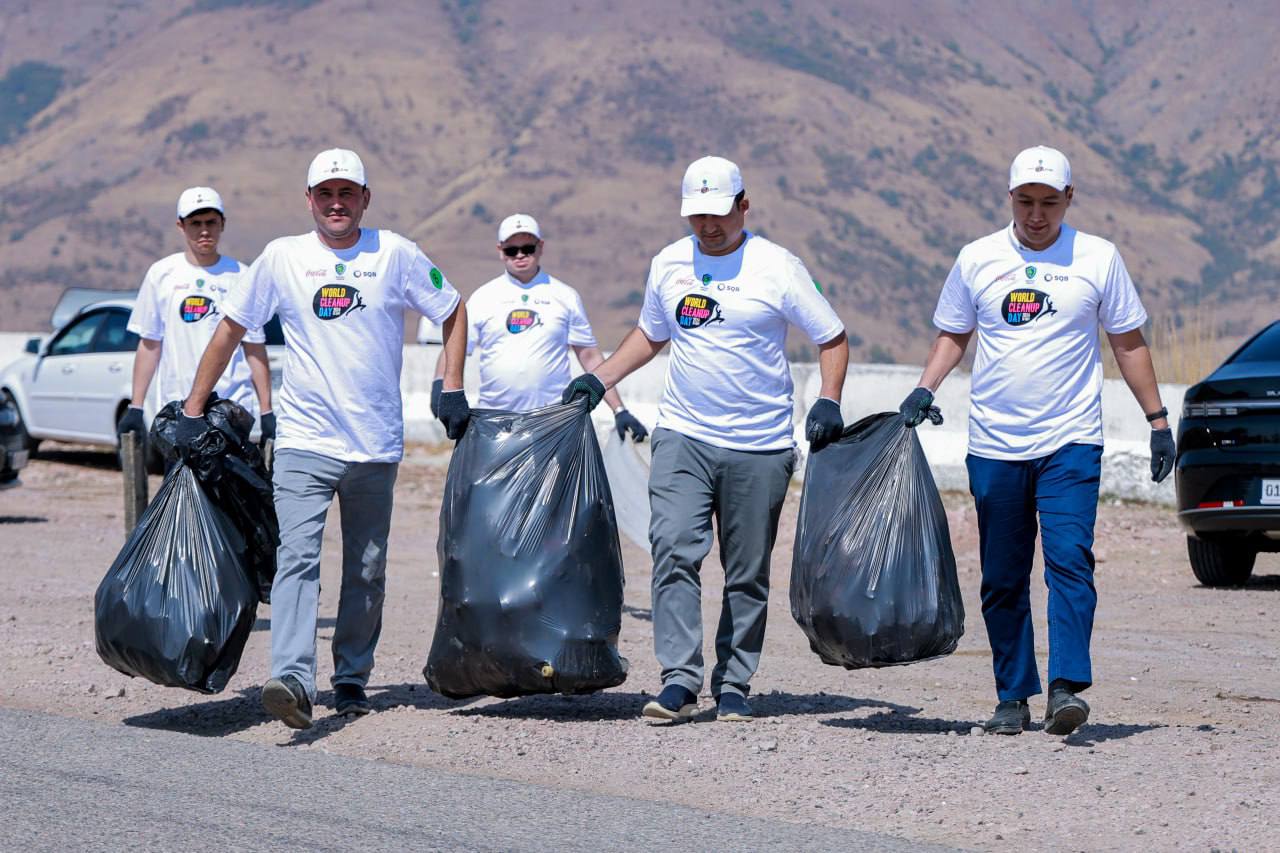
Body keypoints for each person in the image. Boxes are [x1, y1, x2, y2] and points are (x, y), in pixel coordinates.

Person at [176, 149, 470, 729]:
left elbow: (454, 309)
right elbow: (231, 327)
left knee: (367, 568)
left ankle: (352, 675)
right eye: (326, 194)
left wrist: (452, 383)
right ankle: (291, 678)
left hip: (373, 445)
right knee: (296, 559)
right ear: (309, 200)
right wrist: (192, 408)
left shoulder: (395, 253)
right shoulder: (282, 258)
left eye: (347, 193)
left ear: (365, 199)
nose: (337, 204)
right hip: (305, 441)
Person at [899, 145, 1175, 736]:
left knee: (1070, 560)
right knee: (1002, 576)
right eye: (1025, 201)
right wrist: (924, 388)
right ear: (1009, 197)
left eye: (1049, 202)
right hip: (995, 445)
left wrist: (1157, 421)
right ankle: (1013, 695)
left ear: (1069, 198)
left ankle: (1067, 687)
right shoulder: (977, 258)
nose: (1036, 214)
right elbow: (954, 334)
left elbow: (1128, 342)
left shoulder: (1098, 257)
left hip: (1070, 441)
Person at [563, 155, 849, 723]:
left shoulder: (778, 266)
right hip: (684, 435)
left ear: (744, 205)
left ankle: (735, 681)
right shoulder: (669, 263)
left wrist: (829, 399)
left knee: (746, 571)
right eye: (697, 215)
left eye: (718, 213)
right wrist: (600, 378)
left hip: (760, 444)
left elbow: (833, 337)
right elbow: (651, 334)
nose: (708, 226)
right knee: (672, 549)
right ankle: (679, 680)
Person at [430, 213, 647, 440]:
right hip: (494, 421)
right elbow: (454, 347)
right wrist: (440, 385)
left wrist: (619, 410)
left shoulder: (565, 296)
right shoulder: (483, 298)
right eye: (511, 250)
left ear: (540, 246)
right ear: (500, 251)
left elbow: (590, 357)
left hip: (552, 420)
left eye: (528, 248)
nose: (520, 255)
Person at [117, 187, 273, 444]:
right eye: (195, 223)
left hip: (231, 407)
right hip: (177, 407)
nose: (204, 231)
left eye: (211, 222)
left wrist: (267, 411)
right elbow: (150, 344)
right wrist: (136, 406)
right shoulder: (162, 274)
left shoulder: (242, 275)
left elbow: (254, 347)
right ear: (181, 226)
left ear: (222, 223)